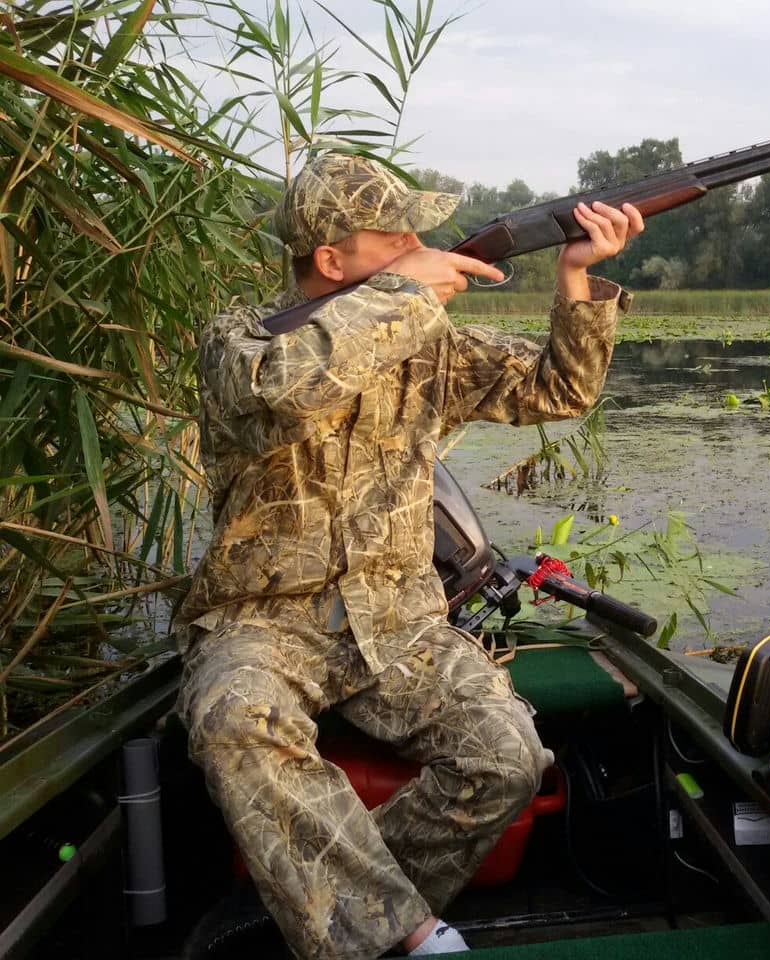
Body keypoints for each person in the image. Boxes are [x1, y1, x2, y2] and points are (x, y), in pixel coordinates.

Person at [174, 152, 643, 959]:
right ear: (332, 260)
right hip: (262, 622)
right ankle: (414, 937)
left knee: (508, 756)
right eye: (397, 237)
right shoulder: (242, 341)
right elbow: (280, 392)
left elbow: (555, 392)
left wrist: (577, 281)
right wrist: (406, 294)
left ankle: (330, 912)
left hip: (399, 620)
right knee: (231, 720)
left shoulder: (429, 344)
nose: (419, 246)